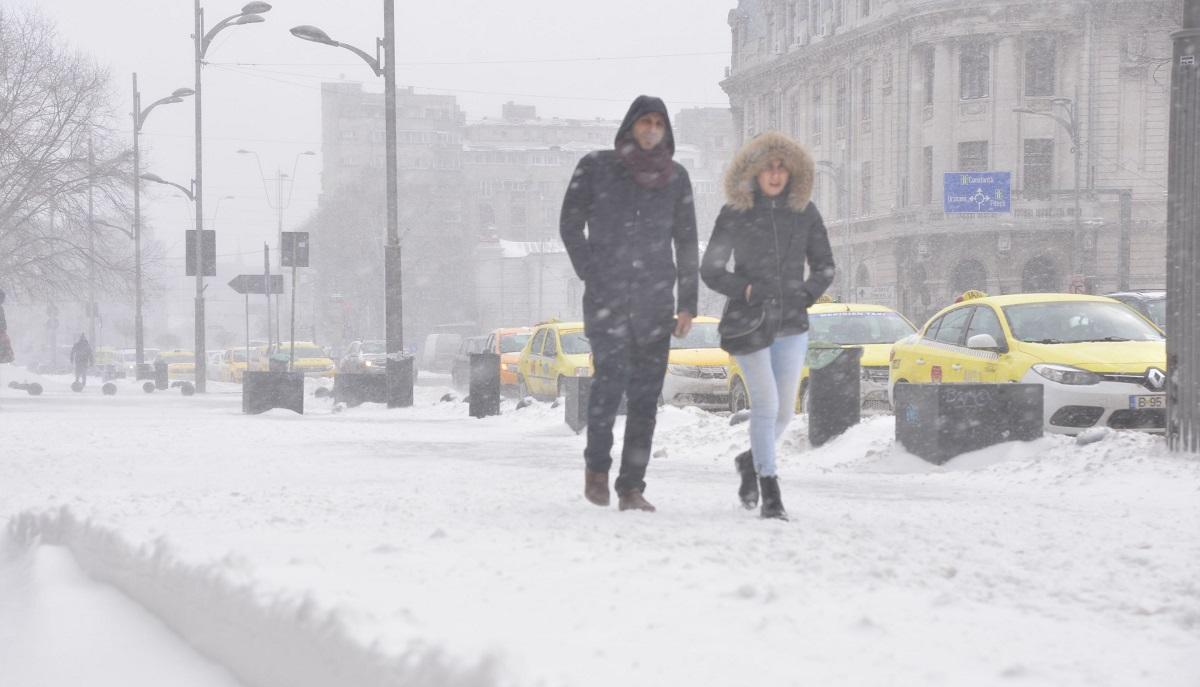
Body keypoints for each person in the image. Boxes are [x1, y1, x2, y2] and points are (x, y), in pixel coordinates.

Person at [560, 95, 699, 512]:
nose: (652, 129)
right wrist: (592, 269)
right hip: (608, 301)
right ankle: (597, 472)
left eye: (659, 122)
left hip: (656, 305)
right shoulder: (597, 166)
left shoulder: (675, 177)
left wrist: (687, 303)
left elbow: (687, 242)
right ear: (631, 126)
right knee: (607, 389)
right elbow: (570, 222)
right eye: (645, 122)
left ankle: (631, 487)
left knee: (644, 401)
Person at [700, 131, 835, 520]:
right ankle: (770, 490)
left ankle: (749, 460)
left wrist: (806, 293)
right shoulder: (734, 214)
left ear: (793, 173)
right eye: (768, 168)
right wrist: (744, 289)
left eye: (782, 168)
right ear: (753, 172)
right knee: (766, 404)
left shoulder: (805, 213)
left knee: (784, 415)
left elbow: (824, 265)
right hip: (749, 322)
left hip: (792, 323)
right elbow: (710, 269)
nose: (775, 175)